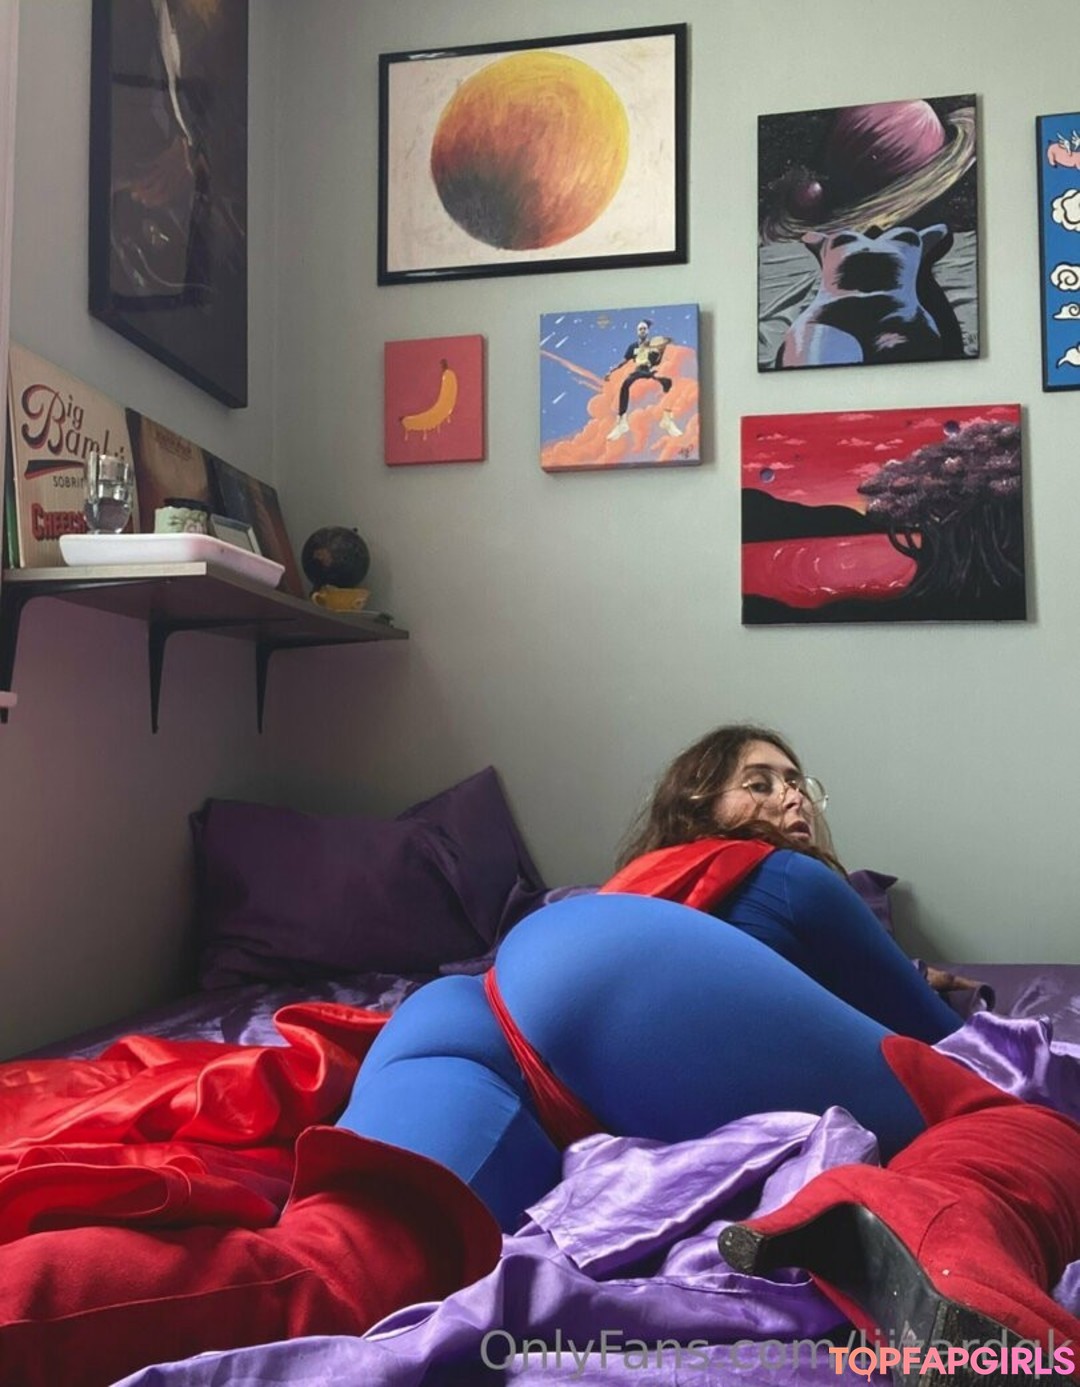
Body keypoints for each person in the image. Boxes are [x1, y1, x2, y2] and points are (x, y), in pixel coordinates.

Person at [2, 725, 1079, 1386]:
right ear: (699, 807)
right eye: (759, 780)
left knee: (341, 1263)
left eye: (800, 784)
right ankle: (960, 1268)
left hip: (464, 1006)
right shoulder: (789, 878)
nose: (790, 798)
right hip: (622, 991)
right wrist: (928, 990)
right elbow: (939, 1040)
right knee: (1009, 1117)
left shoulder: (630, 884)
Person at [604, 318, 682, 440]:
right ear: (637, 331)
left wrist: (662, 350)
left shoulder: (653, 345)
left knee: (668, 383)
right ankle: (622, 422)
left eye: (644, 328)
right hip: (638, 371)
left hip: (649, 370)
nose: (642, 331)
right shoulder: (633, 347)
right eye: (640, 329)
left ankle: (667, 419)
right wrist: (611, 371)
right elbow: (623, 362)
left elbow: (657, 361)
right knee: (625, 384)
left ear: (648, 331)